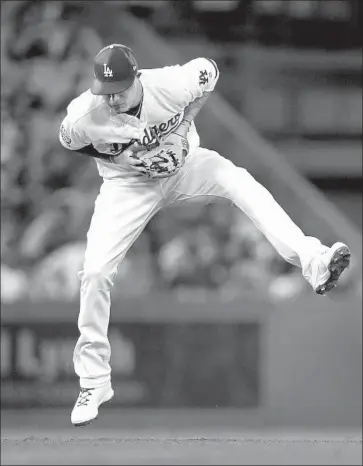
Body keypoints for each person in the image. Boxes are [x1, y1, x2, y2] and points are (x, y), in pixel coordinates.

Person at [59, 44, 351, 427]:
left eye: (119, 88)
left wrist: (181, 126)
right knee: (95, 272)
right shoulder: (86, 114)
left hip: (186, 166)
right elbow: (69, 141)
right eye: (105, 90)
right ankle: (95, 381)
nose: (111, 97)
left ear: (137, 78)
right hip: (128, 187)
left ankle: (314, 262)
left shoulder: (169, 84)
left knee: (240, 181)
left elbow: (209, 71)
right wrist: (120, 158)